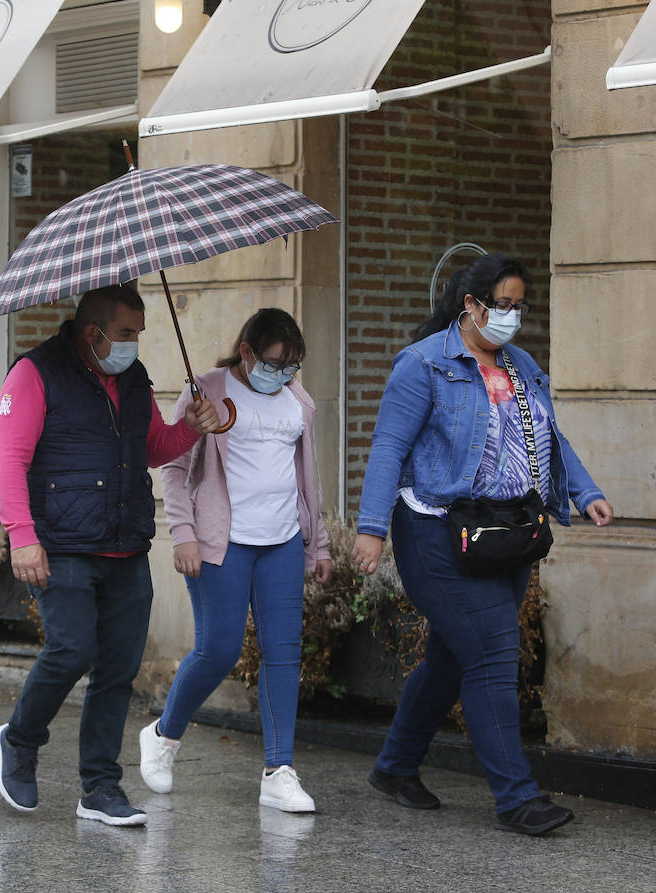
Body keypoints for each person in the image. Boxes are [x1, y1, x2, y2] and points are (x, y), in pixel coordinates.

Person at [350, 253, 614, 837]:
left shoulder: (520, 365)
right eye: (503, 305)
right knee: (494, 653)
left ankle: (394, 766)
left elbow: (547, 433)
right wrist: (371, 529)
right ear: (471, 304)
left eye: (520, 305)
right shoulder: (422, 365)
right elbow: (388, 448)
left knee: (452, 654)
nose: (513, 316)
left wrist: (583, 492)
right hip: (436, 532)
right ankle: (517, 798)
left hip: (507, 534)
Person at [0, 284, 220, 827]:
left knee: (119, 666)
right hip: (62, 542)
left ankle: (99, 787)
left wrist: (191, 427)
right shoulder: (34, 373)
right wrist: (22, 536)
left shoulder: (133, 378)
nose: (135, 344)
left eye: (138, 333)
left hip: (125, 539)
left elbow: (151, 446)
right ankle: (20, 739)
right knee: (71, 650)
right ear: (93, 332)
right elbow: (7, 460)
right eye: (125, 334)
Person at [140, 308, 332, 813]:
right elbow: (176, 470)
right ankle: (163, 735)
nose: (284, 374)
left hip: (282, 541)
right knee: (219, 650)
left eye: (294, 365)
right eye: (274, 363)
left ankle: (278, 769)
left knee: (284, 652)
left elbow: (307, 478)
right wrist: (182, 534)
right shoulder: (206, 390)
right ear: (247, 353)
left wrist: (318, 543)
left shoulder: (297, 399)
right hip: (221, 542)